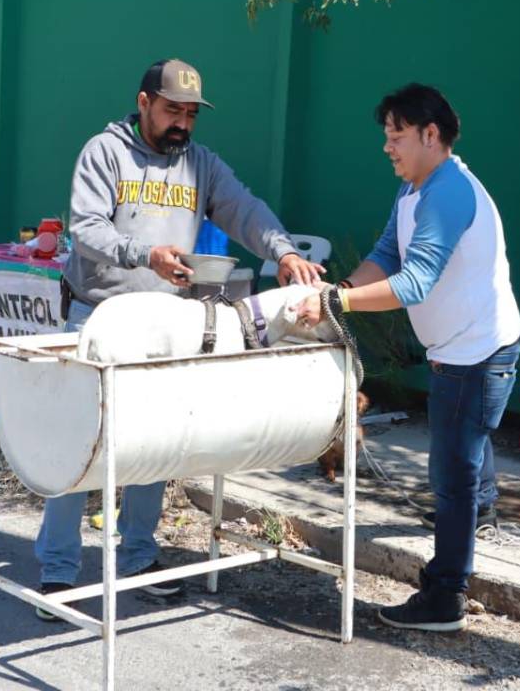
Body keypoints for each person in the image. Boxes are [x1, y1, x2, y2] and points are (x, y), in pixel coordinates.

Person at [36, 58, 325, 620]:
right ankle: (57, 573)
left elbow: (244, 209)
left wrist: (284, 250)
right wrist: (145, 254)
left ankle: (139, 557)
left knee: (155, 447)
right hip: (96, 317)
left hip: (163, 325)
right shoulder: (105, 152)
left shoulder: (201, 164)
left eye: (191, 115)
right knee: (78, 447)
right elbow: (87, 229)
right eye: (173, 111)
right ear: (144, 102)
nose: (183, 125)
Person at [292, 83, 520, 632]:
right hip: (466, 347)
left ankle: (445, 596)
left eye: (396, 137)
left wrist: (334, 300)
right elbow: (387, 254)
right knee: (468, 457)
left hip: (476, 354)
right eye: (387, 137)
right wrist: (344, 288)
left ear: (431, 135)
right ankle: (480, 512)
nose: (388, 148)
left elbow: (414, 282)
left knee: (451, 474)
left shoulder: (448, 193)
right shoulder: (416, 188)